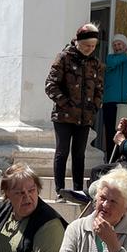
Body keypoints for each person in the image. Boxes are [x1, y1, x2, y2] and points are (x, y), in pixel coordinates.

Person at [45, 23, 104, 202]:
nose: (90, 49)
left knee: (79, 154)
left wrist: (94, 107)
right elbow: (50, 85)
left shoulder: (96, 64)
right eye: (87, 46)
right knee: (62, 152)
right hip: (63, 116)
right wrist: (66, 104)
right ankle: (60, 190)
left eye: (93, 46)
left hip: (85, 117)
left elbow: (99, 89)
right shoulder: (63, 57)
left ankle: (78, 190)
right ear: (78, 42)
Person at [101, 34, 127, 161]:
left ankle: (125, 160)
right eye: (115, 45)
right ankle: (111, 161)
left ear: (125, 45)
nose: (117, 47)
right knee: (111, 134)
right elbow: (115, 62)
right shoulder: (110, 58)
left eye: (120, 44)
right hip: (111, 102)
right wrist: (126, 55)